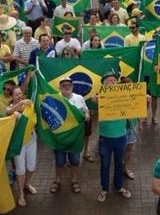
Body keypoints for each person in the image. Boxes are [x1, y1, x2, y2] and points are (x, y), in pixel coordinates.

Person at [95, 72, 132, 203]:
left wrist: (145, 99)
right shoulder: (100, 96)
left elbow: (135, 104)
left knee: (119, 164)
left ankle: (119, 186)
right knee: (105, 164)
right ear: (104, 84)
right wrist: (97, 101)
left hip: (121, 136)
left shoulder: (124, 96)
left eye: (114, 80)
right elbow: (95, 103)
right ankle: (104, 189)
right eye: (109, 80)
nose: (112, 82)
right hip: (105, 137)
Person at [51, 77, 89, 195]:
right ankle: (57, 180)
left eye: (69, 84)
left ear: (72, 86)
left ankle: (74, 181)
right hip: (60, 138)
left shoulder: (79, 98)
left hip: (75, 138)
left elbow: (85, 110)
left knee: (75, 161)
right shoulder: (55, 99)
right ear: (59, 87)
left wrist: (87, 115)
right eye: (64, 85)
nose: (67, 86)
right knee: (60, 161)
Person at [5, 87, 37, 207]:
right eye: (16, 94)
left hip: (31, 140)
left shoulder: (29, 105)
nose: (19, 96)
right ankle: (21, 195)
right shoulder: (10, 108)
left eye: (20, 94)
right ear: (12, 96)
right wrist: (21, 104)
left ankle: (26, 184)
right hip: (18, 144)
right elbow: (8, 112)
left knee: (31, 167)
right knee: (20, 170)